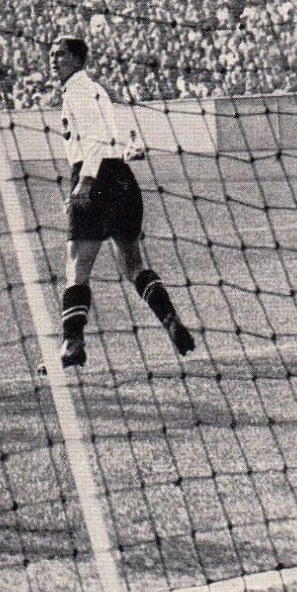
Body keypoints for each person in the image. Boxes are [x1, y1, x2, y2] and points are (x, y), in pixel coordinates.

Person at [49, 37, 195, 369]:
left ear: (77, 59)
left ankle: (72, 343)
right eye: (52, 55)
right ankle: (170, 319)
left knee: (76, 267)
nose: (54, 60)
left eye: (60, 55)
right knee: (133, 263)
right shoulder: (97, 90)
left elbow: (97, 139)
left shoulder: (78, 92)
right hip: (123, 180)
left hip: (96, 176)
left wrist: (85, 183)